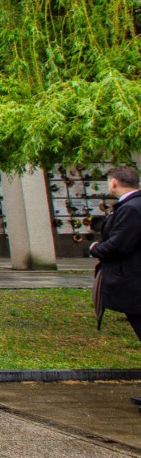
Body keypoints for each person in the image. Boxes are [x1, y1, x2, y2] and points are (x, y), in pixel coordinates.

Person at [91, 166, 141, 413]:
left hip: (134, 282)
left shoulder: (131, 208)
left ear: (113, 182)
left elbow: (119, 244)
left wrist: (95, 248)